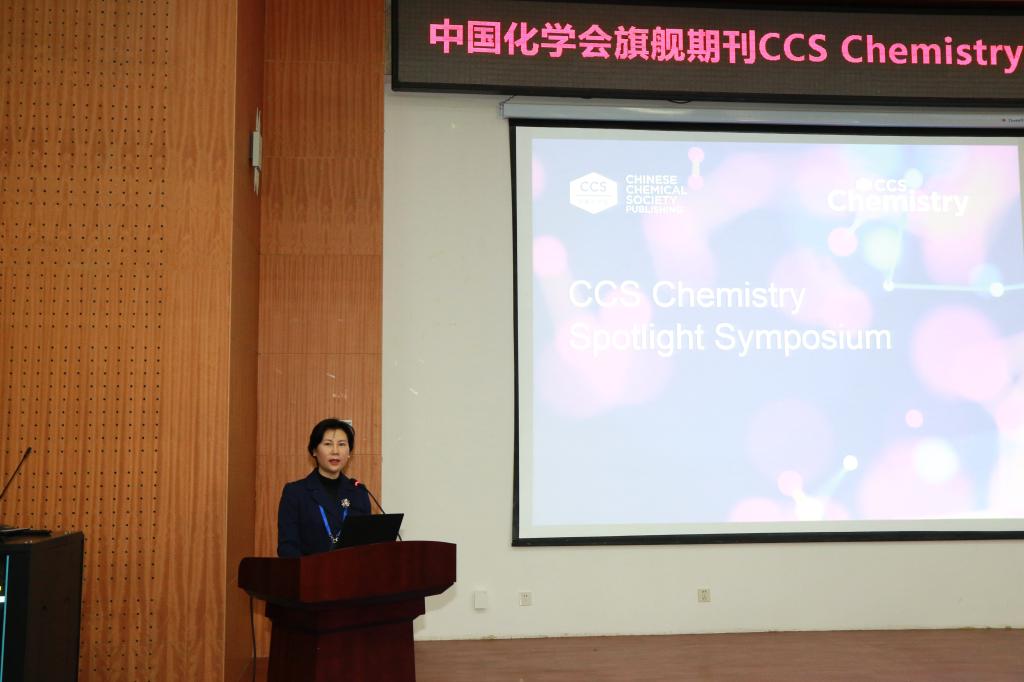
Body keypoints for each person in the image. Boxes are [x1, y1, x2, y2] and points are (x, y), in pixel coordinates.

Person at [277, 418, 372, 557]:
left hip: (350, 569)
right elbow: (287, 548)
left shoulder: (359, 492)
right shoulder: (295, 493)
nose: (335, 451)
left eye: (341, 444)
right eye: (328, 444)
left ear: (349, 452)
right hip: (309, 570)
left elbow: (366, 545)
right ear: (314, 450)